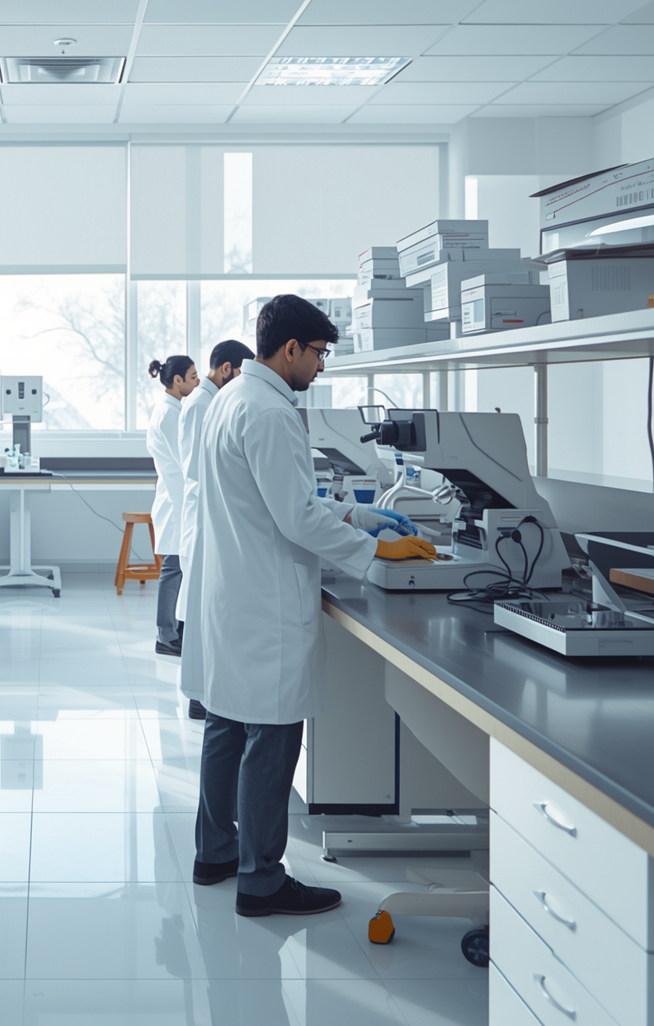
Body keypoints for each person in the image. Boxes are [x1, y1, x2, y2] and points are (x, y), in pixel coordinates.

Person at [192, 295, 433, 917]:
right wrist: (374, 551)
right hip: (265, 599)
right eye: (319, 354)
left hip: (233, 591)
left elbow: (280, 498)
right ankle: (262, 882)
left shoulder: (231, 399)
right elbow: (296, 517)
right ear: (291, 348)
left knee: (226, 725)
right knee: (270, 739)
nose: (322, 366)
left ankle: (214, 853)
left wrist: (358, 516)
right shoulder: (271, 412)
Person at [177, 338, 255, 720]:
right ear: (226, 369)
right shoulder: (201, 404)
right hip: (203, 515)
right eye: (241, 374)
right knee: (202, 612)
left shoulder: (212, 401)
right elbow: (195, 467)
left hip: (209, 514)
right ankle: (200, 699)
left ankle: (204, 695)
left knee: (207, 611)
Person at [145, 354, 199, 656]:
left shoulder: (171, 409)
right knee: (173, 567)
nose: (198, 382)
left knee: (178, 567)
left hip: (177, 499)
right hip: (175, 502)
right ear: (177, 381)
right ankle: (166, 636)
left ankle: (173, 631)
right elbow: (185, 459)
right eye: (192, 377)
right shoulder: (169, 413)